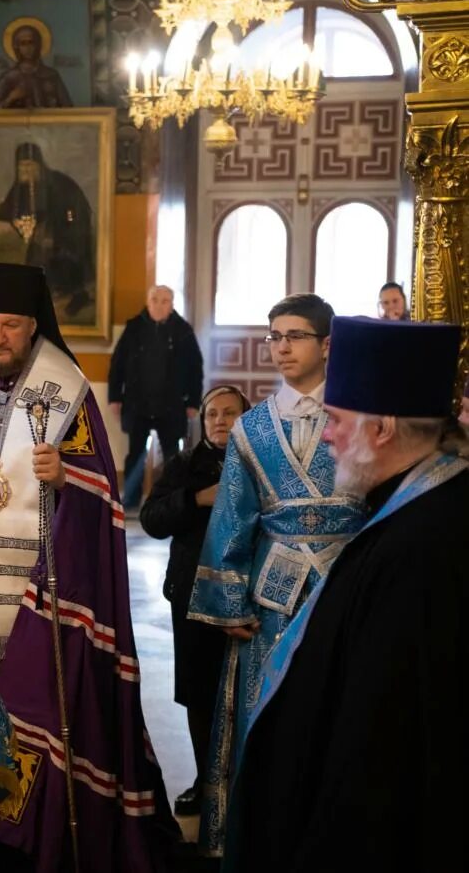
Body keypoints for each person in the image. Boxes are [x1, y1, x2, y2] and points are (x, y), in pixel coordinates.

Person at [0, 262, 175, 871]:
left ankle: (21, 846)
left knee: (30, 721)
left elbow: (105, 498)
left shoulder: (65, 388)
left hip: (34, 600)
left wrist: (67, 478)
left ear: (33, 324)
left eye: (9, 325)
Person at [230, 316, 467, 872]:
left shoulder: (420, 547)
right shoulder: (412, 510)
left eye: (335, 420)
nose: (328, 435)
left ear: (381, 427)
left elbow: (383, 740)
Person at [186, 293, 367, 858]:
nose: (282, 347)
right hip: (272, 598)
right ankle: (257, 836)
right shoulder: (251, 428)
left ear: (327, 344)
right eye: (275, 337)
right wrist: (229, 600)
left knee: (339, 711)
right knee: (265, 713)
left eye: (295, 336)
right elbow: (232, 517)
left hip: (346, 581)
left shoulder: (358, 415)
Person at [139, 385, 249, 818]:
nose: (221, 421)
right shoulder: (185, 465)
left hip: (247, 595)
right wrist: (196, 498)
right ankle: (205, 784)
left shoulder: (262, 461)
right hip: (191, 595)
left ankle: (243, 785)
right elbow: (151, 519)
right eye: (213, 415)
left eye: (231, 413)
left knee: (243, 691)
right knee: (200, 693)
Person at [108, 285, 204, 512]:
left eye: (165, 301)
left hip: (171, 405)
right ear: (147, 302)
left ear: (171, 305)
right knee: (135, 453)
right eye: (155, 300)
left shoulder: (183, 330)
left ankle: (170, 499)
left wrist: (193, 402)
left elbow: (195, 369)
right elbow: (117, 364)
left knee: (173, 454)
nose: (159, 305)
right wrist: (115, 397)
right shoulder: (133, 328)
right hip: (137, 402)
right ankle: (130, 500)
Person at [0, 144, 95, 321]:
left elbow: (72, 213)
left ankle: (76, 295)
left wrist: (55, 234)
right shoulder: (21, 187)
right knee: (36, 260)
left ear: (39, 165)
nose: (26, 170)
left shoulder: (59, 183)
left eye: (30, 165)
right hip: (41, 236)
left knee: (56, 259)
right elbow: (10, 209)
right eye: (22, 166)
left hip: (69, 232)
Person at [0, 24, 74, 109]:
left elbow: (68, 108)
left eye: (31, 43)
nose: (28, 48)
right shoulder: (8, 78)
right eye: (23, 44)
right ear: (17, 47)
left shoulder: (51, 75)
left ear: (38, 45)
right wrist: (10, 99)